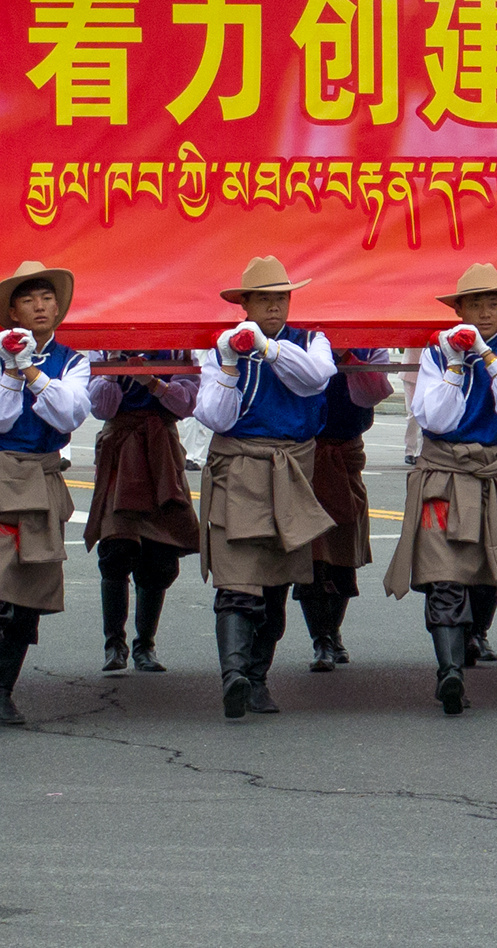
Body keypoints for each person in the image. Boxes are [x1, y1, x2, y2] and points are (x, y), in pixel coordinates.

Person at [391, 263, 497, 715]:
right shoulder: (436, 355)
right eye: (476, 304)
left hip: (495, 475)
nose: (485, 312)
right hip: (444, 475)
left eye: (493, 304)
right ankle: (449, 672)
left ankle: (471, 637)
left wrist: (485, 354)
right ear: (458, 310)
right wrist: (455, 365)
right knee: (443, 572)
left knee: (488, 570)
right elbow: (435, 419)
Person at [0, 260, 93, 731]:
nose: (40, 306)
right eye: (28, 299)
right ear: (12, 312)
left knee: (28, 592)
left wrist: (30, 370)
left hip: (40, 479)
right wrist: (11, 368)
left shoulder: (74, 360)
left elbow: (69, 416)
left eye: (47, 298)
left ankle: (3, 692)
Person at [189, 257, 342, 718]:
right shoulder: (223, 349)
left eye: (281, 298)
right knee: (236, 580)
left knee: (276, 584)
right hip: (238, 466)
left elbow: (315, 379)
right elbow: (215, 417)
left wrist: (268, 349)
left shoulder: (312, 342)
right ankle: (234, 676)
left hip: (290, 468)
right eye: (264, 299)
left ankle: (257, 678)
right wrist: (230, 364)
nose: (274, 307)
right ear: (246, 305)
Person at [82, 353, 201, 675]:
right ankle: (114, 644)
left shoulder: (177, 349)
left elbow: (185, 405)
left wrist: (152, 382)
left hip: (161, 450)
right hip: (120, 448)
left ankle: (145, 644)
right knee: (116, 549)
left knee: (160, 556)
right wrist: (113, 370)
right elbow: (101, 408)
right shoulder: (104, 349)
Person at [295, 348, 396, 672]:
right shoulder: (299, 341)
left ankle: (332, 632)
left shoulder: (369, 346)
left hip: (346, 455)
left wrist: (349, 357)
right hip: (305, 454)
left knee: (343, 555)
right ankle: (321, 639)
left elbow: (372, 393)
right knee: (312, 557)